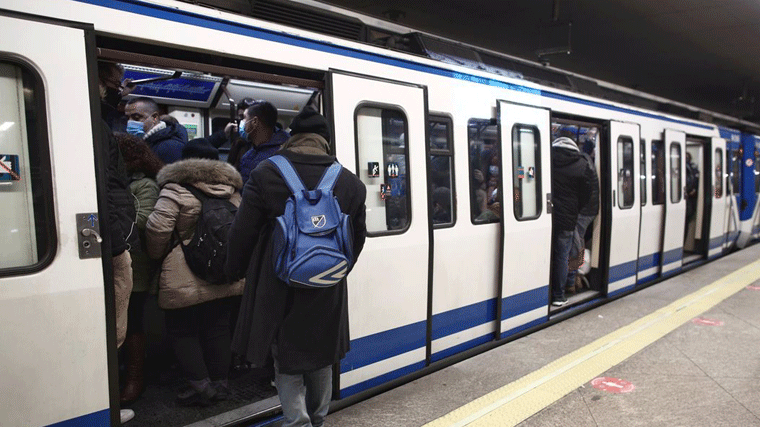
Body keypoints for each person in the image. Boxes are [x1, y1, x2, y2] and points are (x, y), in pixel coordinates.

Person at [226, 107, 367, 427]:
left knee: (286, 356)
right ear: (325, 142)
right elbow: (356, 239)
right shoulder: (350, 183)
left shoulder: (266, 172)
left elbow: (243, 231)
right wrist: (333, 270)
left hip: (277, 284)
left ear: (292, 138)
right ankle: (318, 417)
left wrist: (233, 270)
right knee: (322, 353)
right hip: (327, 286)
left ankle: (296, 420)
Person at [145, 138, 245, 406]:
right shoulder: (232, 191)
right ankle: (220, 383)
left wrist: (159, 256)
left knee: (182, 330)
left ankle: (201, 387)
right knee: (219, 328)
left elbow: (157, 230)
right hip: (223, 270)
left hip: (183, 271)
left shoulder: (175, 189)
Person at [98, 63, 141, 425]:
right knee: (114, 325)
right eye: (113, 85)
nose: (118, 92)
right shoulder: (99, 129)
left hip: (109, 238)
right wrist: (119, 239)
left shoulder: (97, 124)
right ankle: (104, 403)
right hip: (111, 243)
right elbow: (111, 187)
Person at [114, 133, 164, 404]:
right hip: (119, 259)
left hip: (138, 262)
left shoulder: (144, 185)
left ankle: (135, 379)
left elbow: (145, 220)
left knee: (133, 320)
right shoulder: (115, 183)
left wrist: (116, 214)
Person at [550, 129, 593, 307]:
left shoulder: (545, 156)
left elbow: (527, 175)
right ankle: (558, 296)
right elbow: (587, 192)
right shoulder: (582, 163)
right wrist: (575, 208)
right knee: (562, 256)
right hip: (567, 218)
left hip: (544, 215)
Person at [565, 139, 599, 294]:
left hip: (585, 211)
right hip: (588, 209)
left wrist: (577, 207)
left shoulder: (580, 162)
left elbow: (585, 191)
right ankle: (574, 277)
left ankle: (574, 278)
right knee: (578, 241)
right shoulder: (586, 162)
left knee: (575, 242)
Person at [237, 101, 291, 183]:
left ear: (254, 121)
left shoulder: (281, 155)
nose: (242, 122)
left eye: (244, 118)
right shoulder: (248, 154)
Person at [124, 96, 186, 164]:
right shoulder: (140, 144)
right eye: (127, 118)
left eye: (136, 118)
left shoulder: (171, 147)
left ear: (154, 117)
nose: (129, 122)